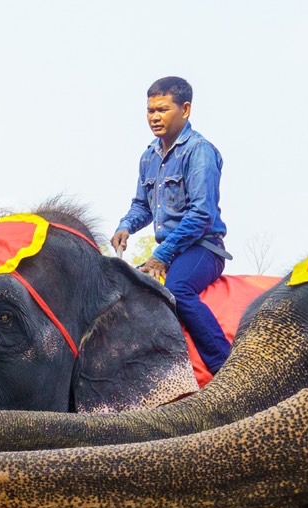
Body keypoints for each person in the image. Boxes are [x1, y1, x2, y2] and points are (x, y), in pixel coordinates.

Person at [109, 76, 233, 376]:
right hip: (170, 251)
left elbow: (201, 214)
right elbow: (142, 205)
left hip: (203, 248)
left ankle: (226, 369)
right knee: (120, 290)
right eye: (150, 110)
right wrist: (125, 226)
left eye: (162, 109)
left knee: (178, 290)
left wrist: (161, 255)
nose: (154, 117)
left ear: (185, 109)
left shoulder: (199, 151)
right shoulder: (149, 156)